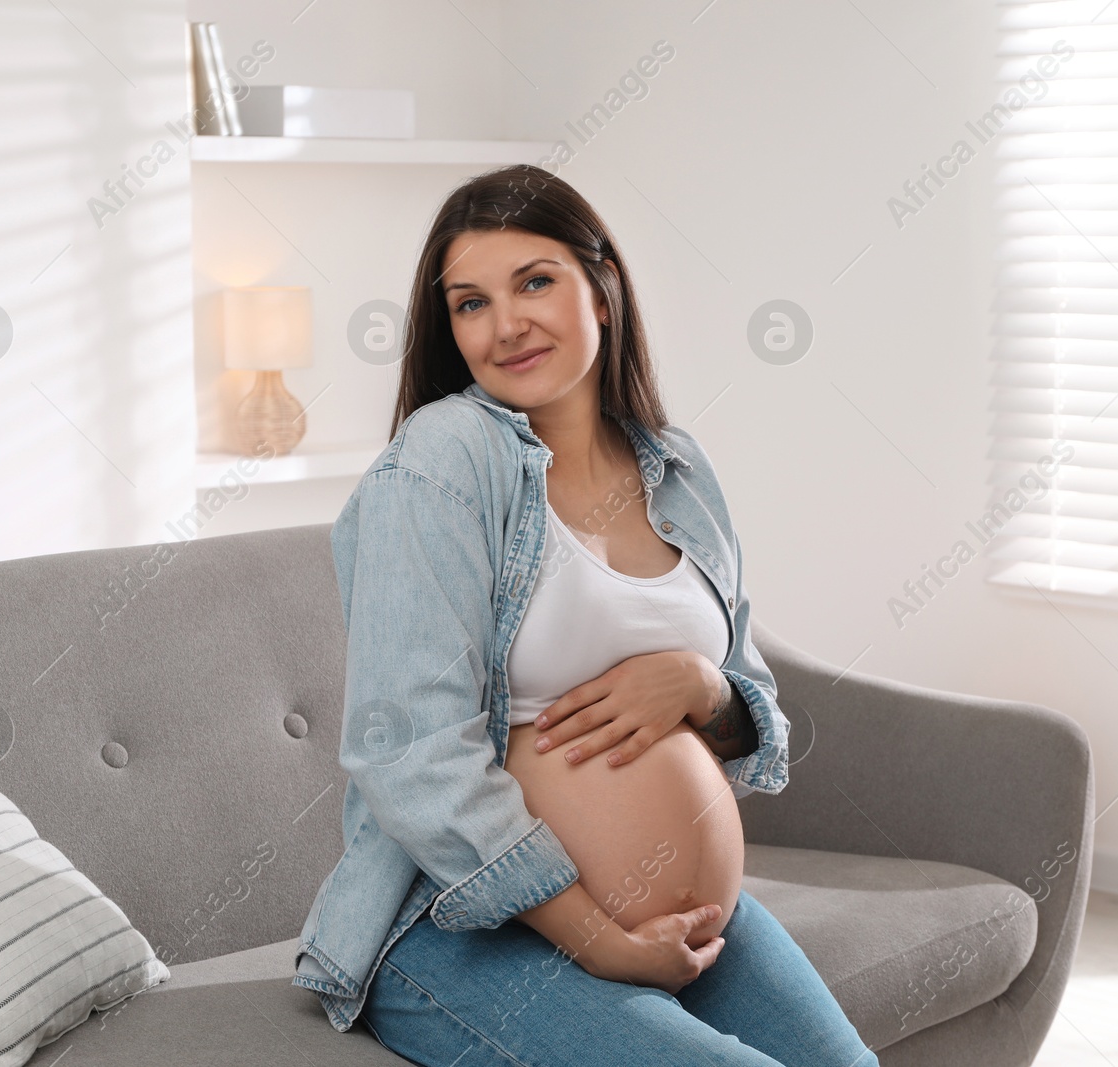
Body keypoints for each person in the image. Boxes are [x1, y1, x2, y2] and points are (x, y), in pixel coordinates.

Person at [293, 164, 878, 1067]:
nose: (507, 323)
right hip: (462, 930)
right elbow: (404, 748)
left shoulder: (677, 467)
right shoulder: (445, 460)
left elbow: (757, 720)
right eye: (470, 303)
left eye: (535, 280)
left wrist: (698, 685)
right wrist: (597, 936)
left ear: (602, 287)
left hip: (682, 922)